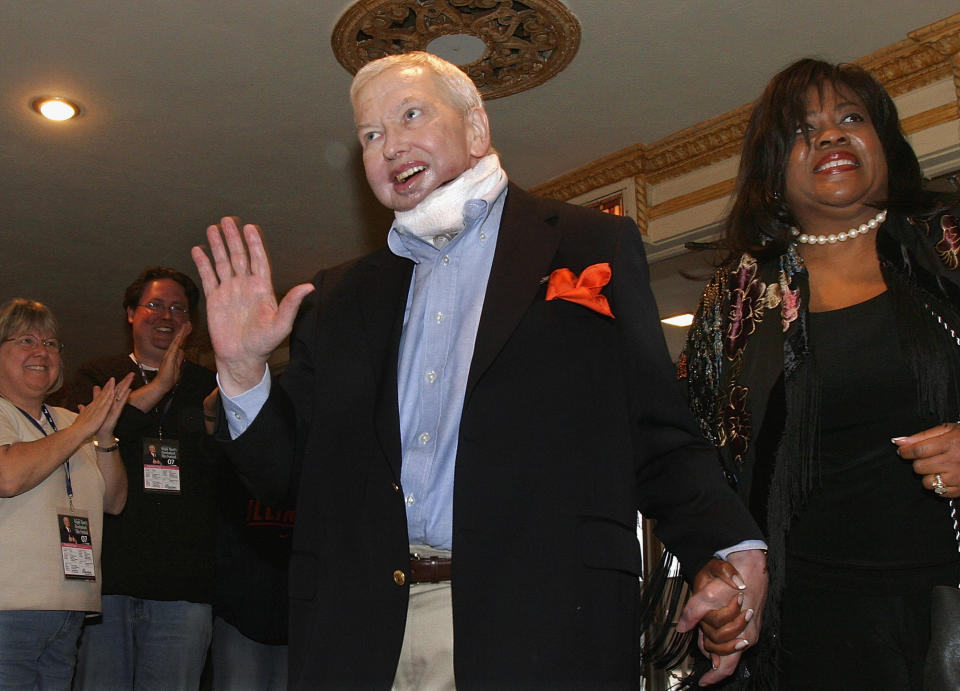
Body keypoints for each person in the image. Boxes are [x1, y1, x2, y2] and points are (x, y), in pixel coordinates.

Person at [193, 51, 768, 689]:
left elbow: (654, 429)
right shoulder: (339, 296)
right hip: (358, 629)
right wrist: (243, 371)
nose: (390, 146)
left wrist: (727, 545)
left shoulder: (587, 244)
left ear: (475, 128)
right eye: (370, 135)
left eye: (410, 115)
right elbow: (287, 472)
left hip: (538, 619)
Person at [679, 58, 960, 688]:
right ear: (774, 172)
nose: (830, 136)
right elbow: (692, 462)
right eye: (803, 131)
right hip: (808, 627)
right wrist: (719, 569)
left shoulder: (950, 244)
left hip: (949, 603)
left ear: (885, 143)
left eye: (851, 119)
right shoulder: (738, 298)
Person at [52, 267, 219, 690]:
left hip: (184, 586)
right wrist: (161, 385)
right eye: (155, 304)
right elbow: (80, 436)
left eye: (179, 308)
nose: (167, 315)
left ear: (190, 323)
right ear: (130, 313)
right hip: (108, 584)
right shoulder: (98, 376)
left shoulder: (209, 387)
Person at [0, 298, 131, 689]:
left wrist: (104, 435)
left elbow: (115, 501)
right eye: (26, 339)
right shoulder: (69, 425)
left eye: (52, 343)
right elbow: (7, 477)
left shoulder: (74, 421)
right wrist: (81, 430)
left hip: (71, 607)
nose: (42, 351)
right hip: (9, 608)